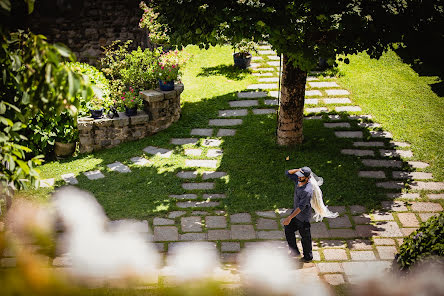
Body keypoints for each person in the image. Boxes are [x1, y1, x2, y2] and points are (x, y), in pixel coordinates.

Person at [282, 166, 314, 262]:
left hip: (303, 218)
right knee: (288, 229)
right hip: (295, 214)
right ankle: (294, 251)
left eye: (301, 176)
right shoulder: (299, 180)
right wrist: (298, 170)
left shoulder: (307, 191)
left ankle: (308, 257)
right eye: (299, 176)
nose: (299, 177)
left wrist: (289, 218)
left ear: (307, 178)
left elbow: (301, 207)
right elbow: (288, 172)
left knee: (305, 237)